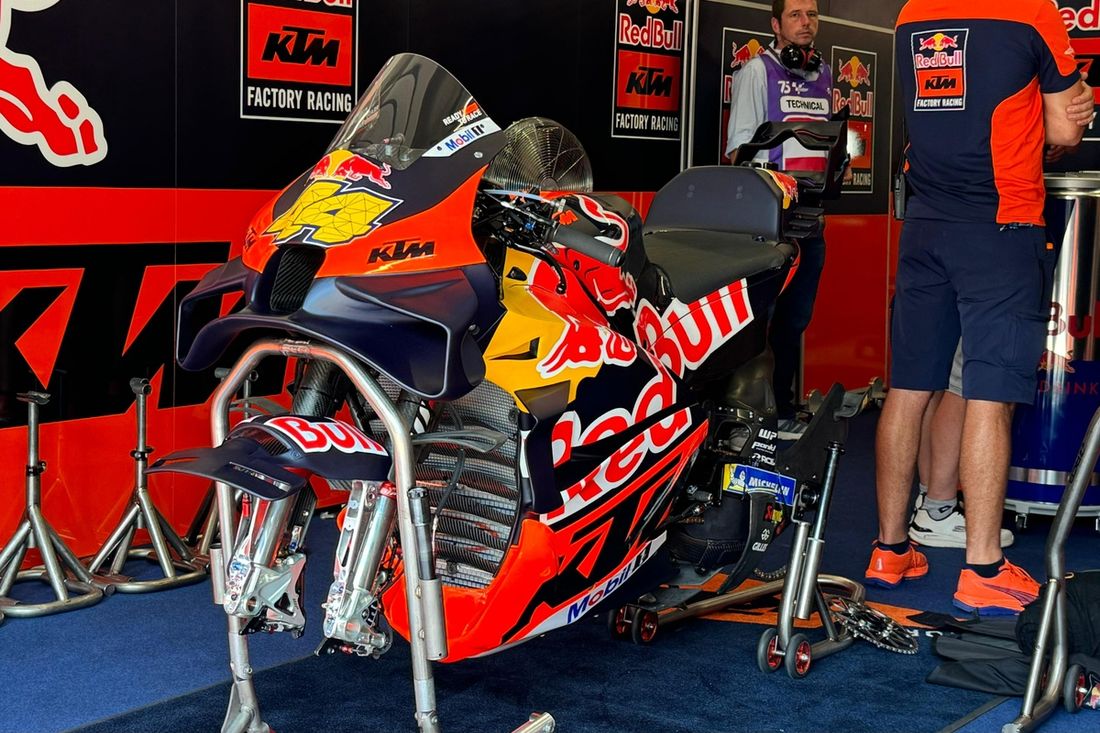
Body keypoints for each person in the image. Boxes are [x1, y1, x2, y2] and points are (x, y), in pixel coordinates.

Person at [866, 0, 1094, 616]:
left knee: (907, 390)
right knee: (990, 396)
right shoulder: (1033, 12)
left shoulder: (910, 14)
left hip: (924, 225)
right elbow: (1066, 132)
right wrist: (1059, 107)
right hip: (1001, 227)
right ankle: (984, 567)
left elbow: (951, 111)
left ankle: (890, 549)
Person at [725, 0, 831, 440]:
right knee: (758, 320)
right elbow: (738, 152)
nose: (806, 23)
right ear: (776, 24)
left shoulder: (824, 75)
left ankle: (783, 410)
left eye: (812, 14)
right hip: (768, 219)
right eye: (795, 15)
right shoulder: (756, 72)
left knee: (794, 320)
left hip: (812, 216)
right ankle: (746, 416)